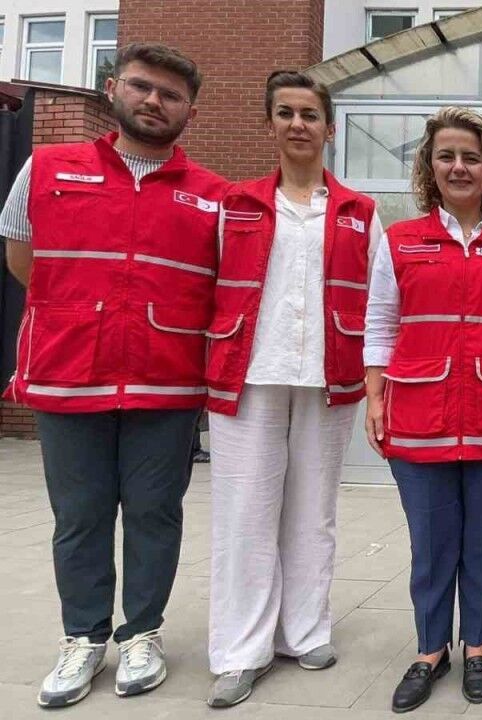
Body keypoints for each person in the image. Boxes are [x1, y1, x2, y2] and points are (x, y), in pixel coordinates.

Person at [1, 43, 225, 708]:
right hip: (70, 375)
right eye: (141, 86)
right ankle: (83, 637)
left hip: (167, 381)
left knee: (155, 514)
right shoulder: (48, 167)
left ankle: (142, 633)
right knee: (79, 517)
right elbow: (21, 258)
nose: (154, 101)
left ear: (190, 112)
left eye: (171, 94)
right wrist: (79, 313)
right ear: (112, 89)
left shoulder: (211, 195)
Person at [202, 71, 379, 708]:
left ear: (330, 128)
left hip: (329, 371)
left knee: (313, 510)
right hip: (248, 370)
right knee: (245, 511)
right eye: (286, 113)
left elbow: (378, 297)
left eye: (310, 114)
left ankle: (304, 629)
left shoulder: (360, 212)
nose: (298, 124)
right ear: (270, 124)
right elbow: (206, 283)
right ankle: (240, 650)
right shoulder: (235, 204)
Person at [363, 106, 482, 713]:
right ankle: (430, 649)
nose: (459, 167)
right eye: (447, 156)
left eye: (471, 157)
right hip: (419, 415)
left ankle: (478, 645)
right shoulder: (399, 241)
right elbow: (380, 321)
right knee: (432, 543)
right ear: (429, 167)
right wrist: (375, 395)